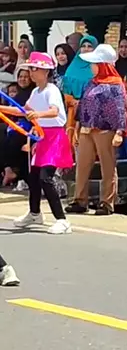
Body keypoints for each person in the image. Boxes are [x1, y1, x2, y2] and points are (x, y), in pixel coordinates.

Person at [2, 52, 74, 234]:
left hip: (54, 137)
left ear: (45, 71)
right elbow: (22, 111)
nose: (31, 72)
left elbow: (54, 111)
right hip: (41, 138)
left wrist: (38, 115)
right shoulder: (36, 92)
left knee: (45, 177)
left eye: (34, 68)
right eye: (31, 68)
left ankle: (62, 220)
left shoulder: (52, 90)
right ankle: (35, 213)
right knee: (33, 177)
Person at [65, 44, 127, 216]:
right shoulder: (90, 83)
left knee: (107, 166)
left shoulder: (116, 84)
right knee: (82, 165)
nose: (91, 67)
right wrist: (77, 127)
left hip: (105, 130)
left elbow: (120, 109)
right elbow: (83, 105)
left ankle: (107, 202)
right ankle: (80, 200)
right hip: (86, 128)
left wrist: (119, 132)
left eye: (94, 63)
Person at [61, 35, 99, 151]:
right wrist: (73, 101)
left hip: (93, 111)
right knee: (73, 145)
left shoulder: (99, 68)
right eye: (83, 46)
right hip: (74, 111)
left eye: (89, 46)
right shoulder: (72, 68)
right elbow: (66, 92)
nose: (86, 49)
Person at [1, 69, 35, 187]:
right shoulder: (18, 95)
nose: (22, 79)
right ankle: (8, 169)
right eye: (20, 76)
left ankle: (13, 171)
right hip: (17, 126)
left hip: (31, 128)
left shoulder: (33, 94)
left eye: (26, 77)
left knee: (11, 140)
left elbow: (24, 112)